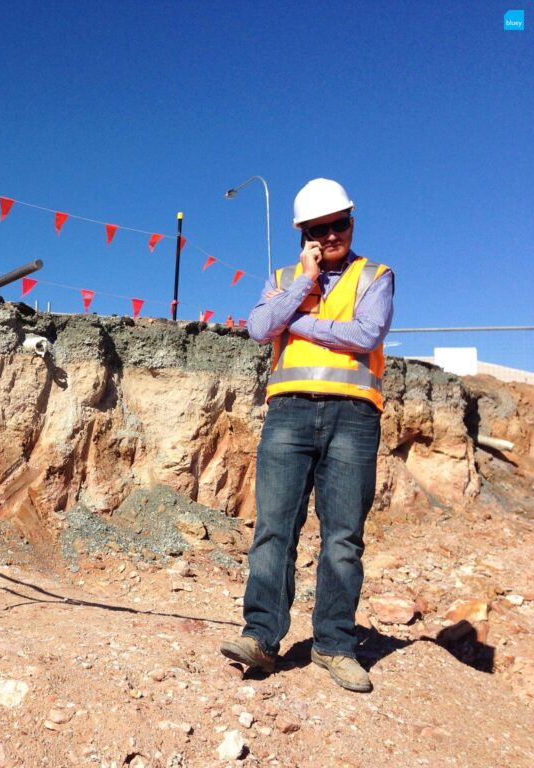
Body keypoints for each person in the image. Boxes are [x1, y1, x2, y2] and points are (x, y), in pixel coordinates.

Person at [220, 178, 394, 693]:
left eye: (338, 223)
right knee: (273, 530)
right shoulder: (283, 277)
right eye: (319, 228)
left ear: (351, 222)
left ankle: (334, 646)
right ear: (304, 234)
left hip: (354, 418)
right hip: (289, 414)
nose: (331, 233)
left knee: (343, 539)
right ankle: (262, 638)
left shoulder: (375, 275)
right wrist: (302, 287)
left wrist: (296, 324)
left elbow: (367, 334)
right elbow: (257, 327)